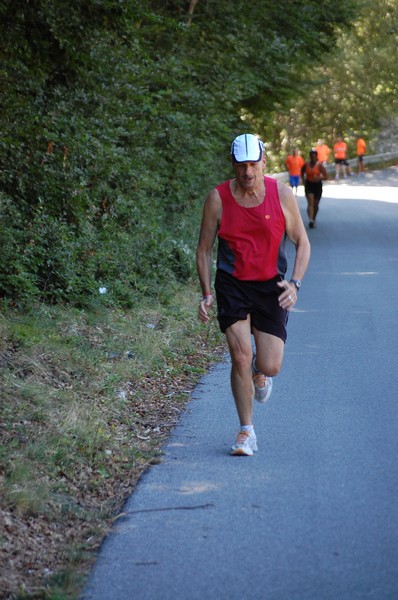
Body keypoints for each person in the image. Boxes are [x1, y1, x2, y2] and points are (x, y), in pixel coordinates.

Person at [196, 133, 311, 456]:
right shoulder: (218, 199)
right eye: (241, 165)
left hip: (271, 284)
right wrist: (206, 293)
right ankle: (247, 431)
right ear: (232, 164)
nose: (248, 172)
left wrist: (295, 283)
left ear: (264, 162)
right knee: (240, 356)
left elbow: (302, 242)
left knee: (270, 364)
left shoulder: (282, 195)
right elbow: (204, 249)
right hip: (232, 284)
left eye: (253, 164)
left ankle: (261, 373)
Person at [301, 149, 328, 229]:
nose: (313, 158)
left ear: (316, 157)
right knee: (310, 203)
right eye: (311, 156)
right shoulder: (306, 165)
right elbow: (301, 173)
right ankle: (311, 220)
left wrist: (319, 177)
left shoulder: (319, 166)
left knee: (316, 204)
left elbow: (326, 176)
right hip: (309, 185)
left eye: (314, 156)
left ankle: (313, 218)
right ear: (309, 157)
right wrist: (303, 181)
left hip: (317, 185)